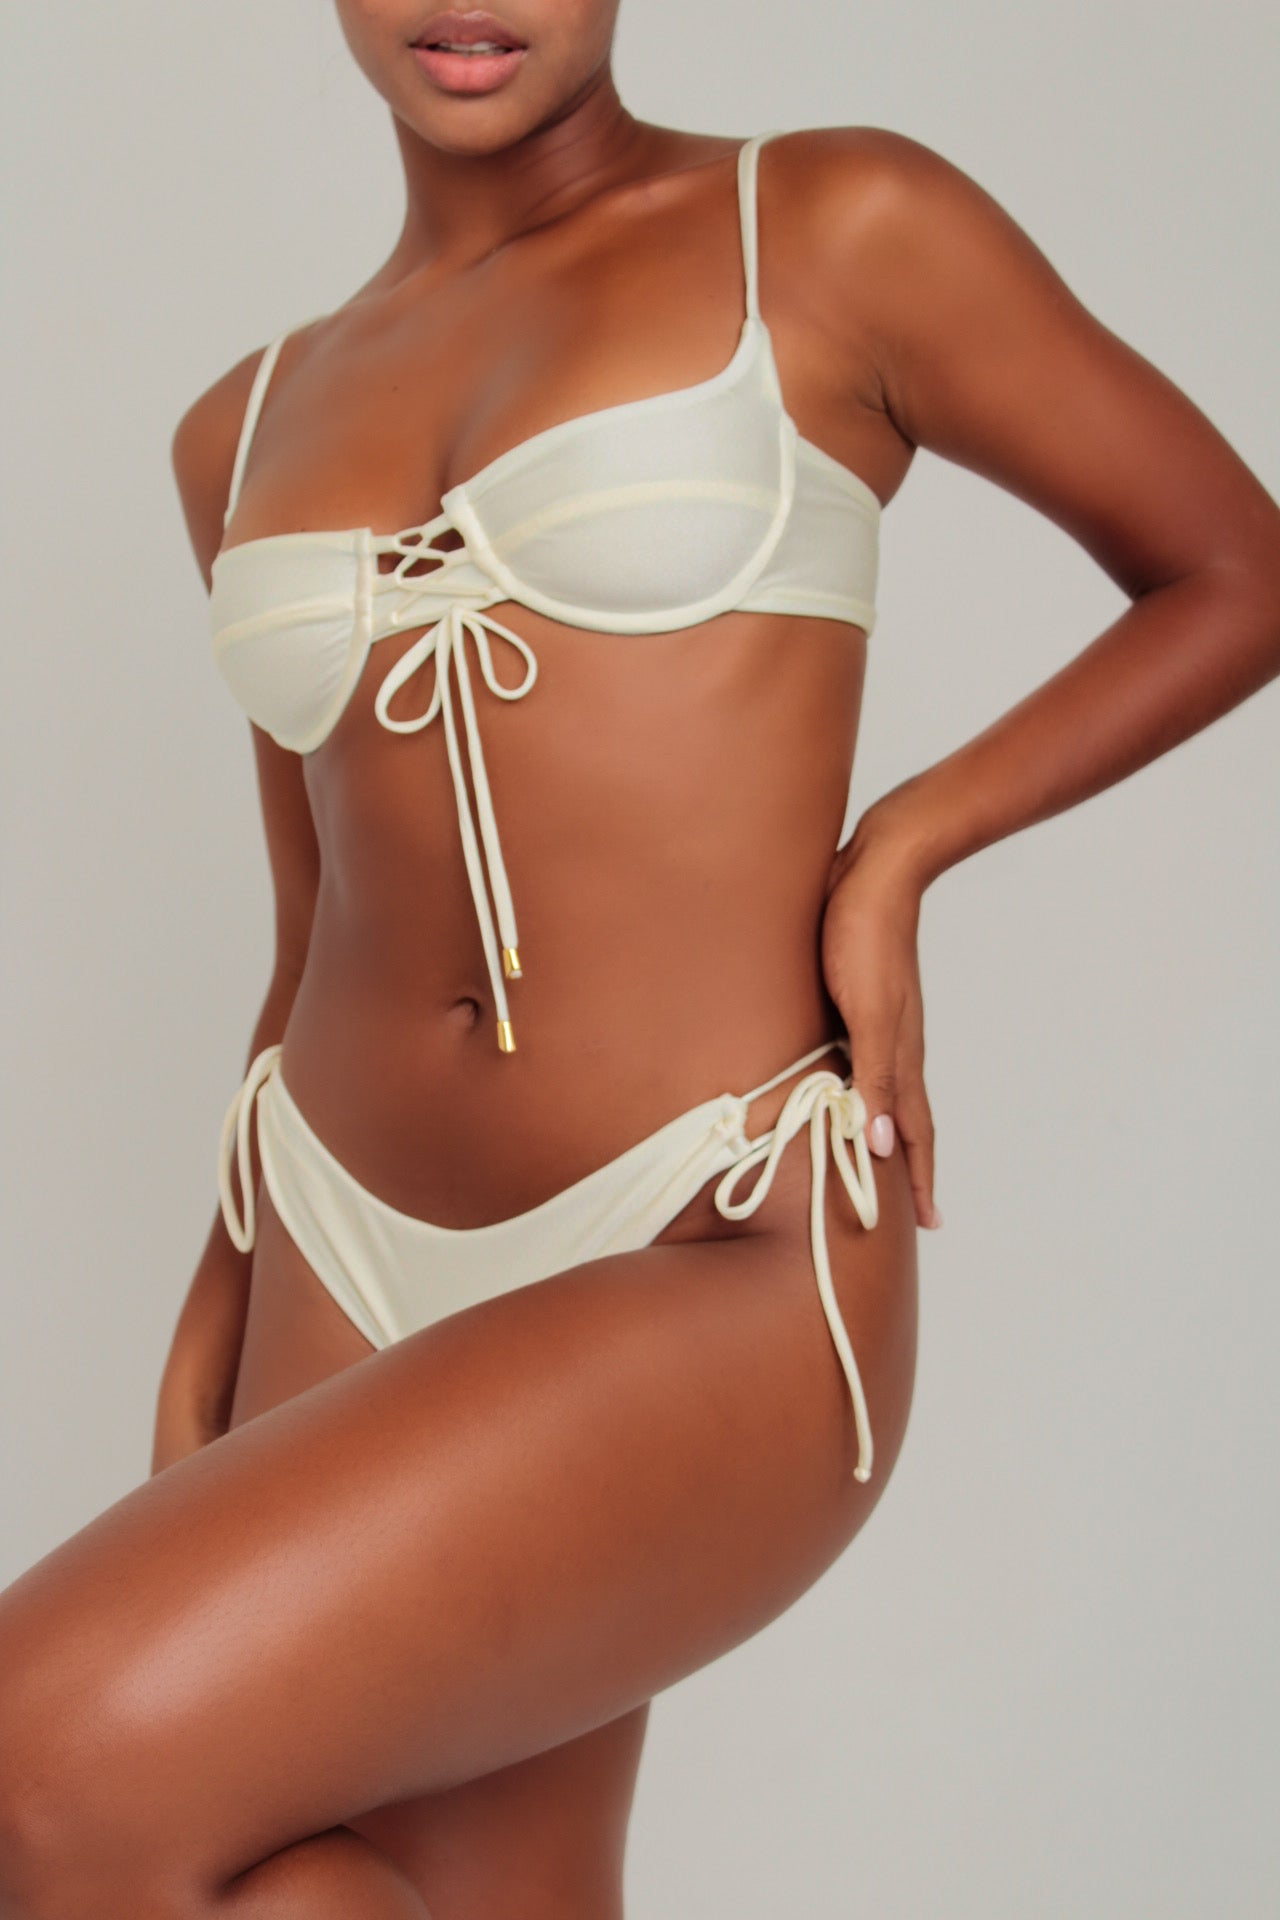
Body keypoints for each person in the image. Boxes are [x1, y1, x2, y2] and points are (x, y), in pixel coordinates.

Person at [2, 2, 1278, 1913]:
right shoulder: (239, 432)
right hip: (332, 1245)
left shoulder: (830, 229)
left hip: (714, 1227)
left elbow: (1235, 570)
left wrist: (902, 850)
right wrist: (231, 1255)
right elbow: (320, 904)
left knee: (40, 1765)